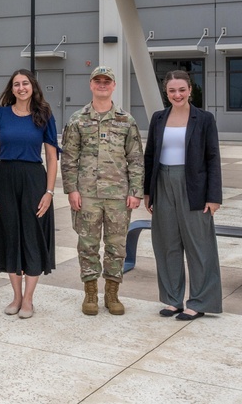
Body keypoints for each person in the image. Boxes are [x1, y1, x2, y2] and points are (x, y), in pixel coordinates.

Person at [60, 65, 143, 316]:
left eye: (107, 81)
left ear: (114, 86)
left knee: (117, 246)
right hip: (87, 195)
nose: (103, 84)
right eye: (98, 81)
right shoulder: (77, 119)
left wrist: (136, 191)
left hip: (119, 195)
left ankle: (112, 294)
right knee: (87, 244)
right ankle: (90, 293)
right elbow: (69, 158)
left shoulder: (126, 120)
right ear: (91, 85)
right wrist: (72, 190)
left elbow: (136, 158)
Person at [144, 69, 223, 321]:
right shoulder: (158, 118)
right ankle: (172, 299)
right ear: (166, 93)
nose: (177, 94)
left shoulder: (204, 118)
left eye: (181, 89)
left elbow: (213, 158)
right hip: (162, 184)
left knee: (199, 246)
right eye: (171, 90)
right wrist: (148, 191)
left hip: (194, 187)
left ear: (190, 90)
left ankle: (199, 301)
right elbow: (149, 156)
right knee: (166, 244)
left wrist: (214, 196)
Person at [0, 69, 59, 319]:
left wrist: (49, 191)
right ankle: (16, 296)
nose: (21, 87)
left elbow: (50, 155)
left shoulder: (44, 115)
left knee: (32, 235)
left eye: (25, 83)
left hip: (34, 179)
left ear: (32, 86)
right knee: (11, 234)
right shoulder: (1, 115)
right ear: (11, 88)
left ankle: (29, 299)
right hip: (4, 178)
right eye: (16, 84)